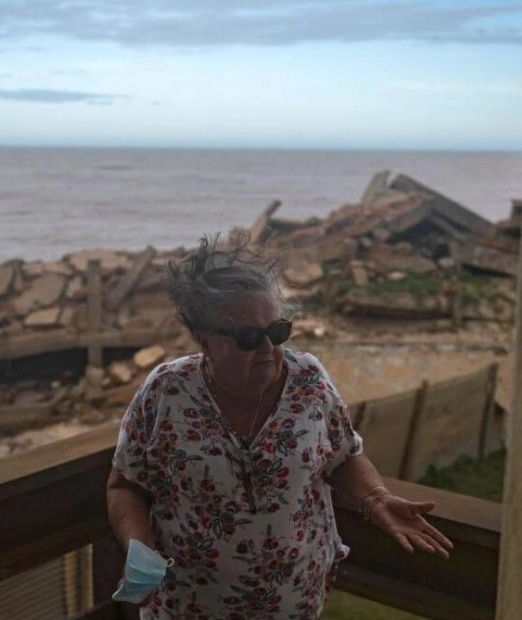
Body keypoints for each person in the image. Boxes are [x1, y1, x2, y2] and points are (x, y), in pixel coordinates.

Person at [107, 234, 453, 619]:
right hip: (188, 607)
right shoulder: (165, 392)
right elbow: (125, 484)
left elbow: (343, 457)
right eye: (249, 338)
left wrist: (376, 499)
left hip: (296, 604)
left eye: (277, 332)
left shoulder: (308, 379)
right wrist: (140, 546)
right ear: (203, 339)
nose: (268, 349)